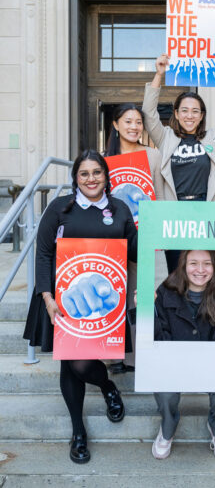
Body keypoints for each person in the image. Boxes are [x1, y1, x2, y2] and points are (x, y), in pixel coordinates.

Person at [23, 150, 138, 463]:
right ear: (75, 177)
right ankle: (78, 432)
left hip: (105, 305)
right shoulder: (60, 208)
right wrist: (47, 297)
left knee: (83, 364)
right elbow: (44, 253)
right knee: (72, 364)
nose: (91, 179)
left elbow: (136, 252)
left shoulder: (120, 209)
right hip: (61, 301)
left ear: (105, 175)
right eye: (84, 173)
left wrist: (155, 228)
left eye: (97, 173)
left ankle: (106, 385)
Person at [142, 53, 215, 273]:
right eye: (184, 110)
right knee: (178, 273)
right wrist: (159, 75)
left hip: (206, 213)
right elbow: (148, 114)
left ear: (202, 115)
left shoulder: (212, 138)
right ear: (176, 113)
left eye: (195, 111)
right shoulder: (166, 138)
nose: (190, 116)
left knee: (204, 271)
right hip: (174, 215)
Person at [150, 250, 215, 460]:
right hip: (173, 364)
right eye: (193, 263)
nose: (200, 270)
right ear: (183, 265)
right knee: (164, 392)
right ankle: (167, 428)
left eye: (207, 264)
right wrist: (146, 310)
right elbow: (157, 340)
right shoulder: (165, 291)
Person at [105, 103, 164, 375]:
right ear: (115, 125)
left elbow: (160, 192)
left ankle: (142, 355)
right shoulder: (104, 160)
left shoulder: (152, 155)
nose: (134, 126)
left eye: (138, 121)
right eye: (127, 121)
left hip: (146, 232)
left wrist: (162, 229)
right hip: (113, 236)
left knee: (143, 293)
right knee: (118, 292)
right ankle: (117, 354)